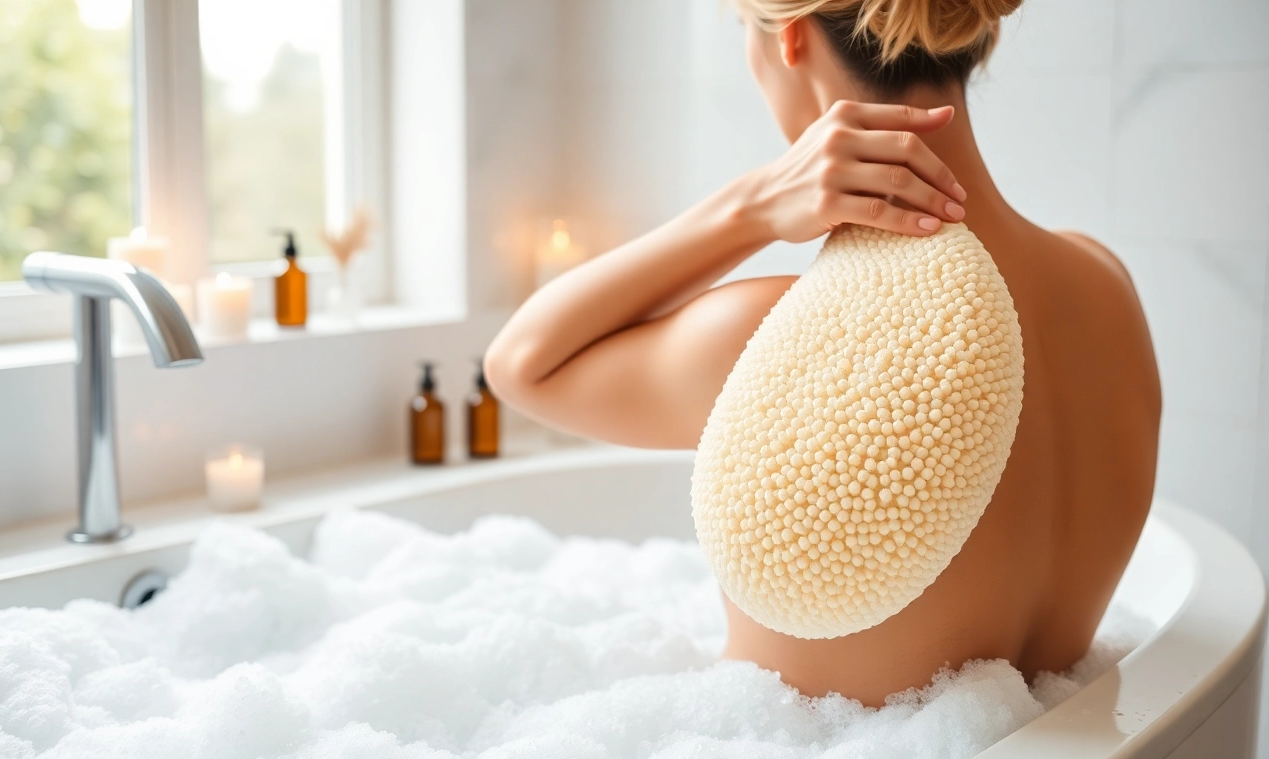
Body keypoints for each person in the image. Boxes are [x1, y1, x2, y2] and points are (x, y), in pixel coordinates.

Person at [484, 0, 1160, 707]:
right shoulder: (1105, 286)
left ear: (791, 38)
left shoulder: (785, 340)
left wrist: (752, 206)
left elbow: (521, 363)